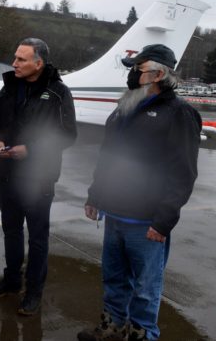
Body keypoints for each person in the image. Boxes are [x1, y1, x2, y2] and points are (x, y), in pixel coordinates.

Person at [78, 44, 202, 341]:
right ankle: (112, 327)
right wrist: (95, 195)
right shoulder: (124, 108)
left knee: (145, 288)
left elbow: (183, 173)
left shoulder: (179, 114)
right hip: (114, 214)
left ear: (158, 74)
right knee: (114, 279)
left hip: (146, 222)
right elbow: (108, 157)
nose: (132, 74)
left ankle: (142, 334)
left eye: (138, 68)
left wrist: (164, 220)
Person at [0, 38, 77, 315]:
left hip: (39, 178)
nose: (14, 63)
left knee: (37, 238)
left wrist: (31, 151)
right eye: (15, 58)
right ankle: (12, 281)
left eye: (21, 59)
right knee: (11, 232)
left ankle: (33, 292)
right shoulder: (10, 86)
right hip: (8, 175)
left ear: (39, 63)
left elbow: (68, 135)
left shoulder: (58, 92)